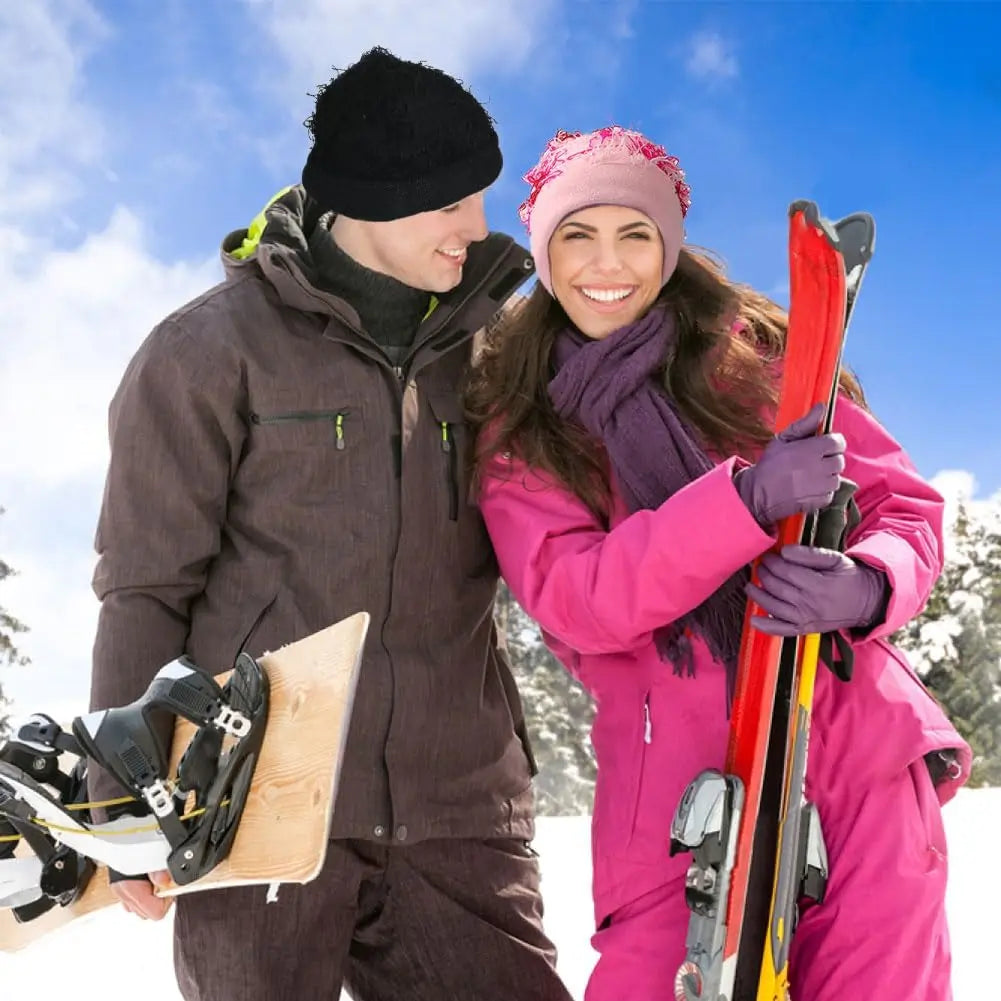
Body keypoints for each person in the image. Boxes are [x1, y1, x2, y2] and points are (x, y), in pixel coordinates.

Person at [86, 47, 573, 1001]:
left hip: (455, 802)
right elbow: (145, 584)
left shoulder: (495, 352)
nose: (477, 228)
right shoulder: (206, 352)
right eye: (449, 203)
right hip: (254, 803)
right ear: (373, 199)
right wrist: (119, 801)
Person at [466, 125, 971, 1001]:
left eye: (633, 234)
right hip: (679, 797)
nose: (605, 263)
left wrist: (870, 581)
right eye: (575, 236)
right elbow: (578, 597)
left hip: (853, 743)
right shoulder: (525, 429)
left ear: (667, 247)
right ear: (545, 255)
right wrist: (738, 507)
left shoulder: (754, 363)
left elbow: (904, 507)